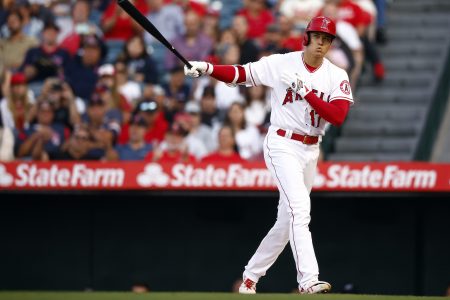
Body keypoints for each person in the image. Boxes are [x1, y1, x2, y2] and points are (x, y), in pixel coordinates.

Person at [184, 16, 353, 294]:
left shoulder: (337, 75)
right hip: (282, 143)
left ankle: (250, 278)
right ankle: (308, 280)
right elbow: (241, 74)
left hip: (311, 148)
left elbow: (337, 116)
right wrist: (206, 68)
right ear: (306, 38)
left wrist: (307, 92)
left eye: (327, 39)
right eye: (317, 37)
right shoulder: (281, 63)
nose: (321, 43)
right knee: (300, 209)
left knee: (287, 221)